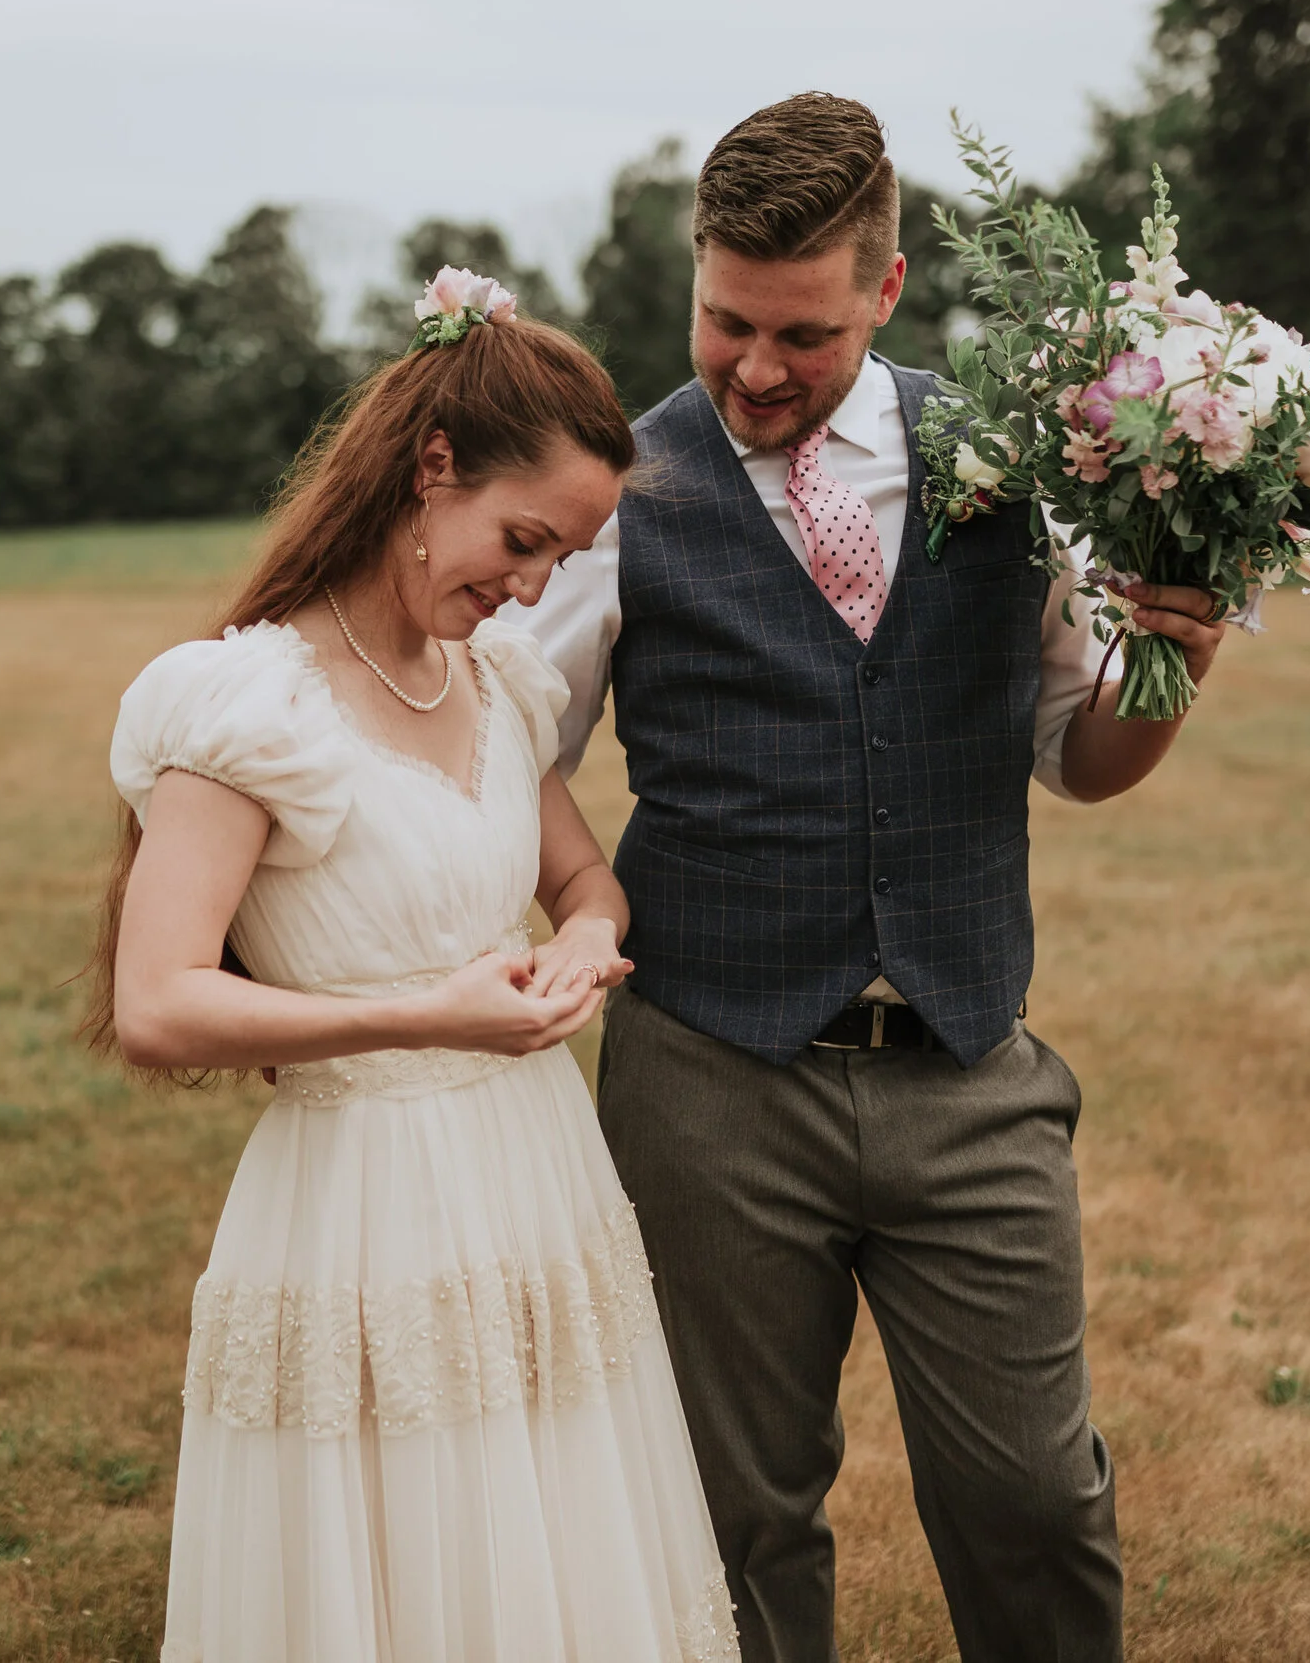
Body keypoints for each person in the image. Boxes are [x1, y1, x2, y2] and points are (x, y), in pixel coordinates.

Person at [513, 94, 1231, 1663]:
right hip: (711, 1083)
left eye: (804, 334)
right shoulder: (619, 494)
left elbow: (1081, 755)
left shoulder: (1011, 463)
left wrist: (1180, 655)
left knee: (1035, 1498)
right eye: (725, 322)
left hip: (969, 1065)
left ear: (888, 293)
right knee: (731, 1513)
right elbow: (513, 753)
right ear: (693, 277)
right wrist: (580, 904)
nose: (757, 368)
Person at [84, 276, 737, 1663]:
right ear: (431, 468)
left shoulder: (494, 679)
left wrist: (581, 939)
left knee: (553, 1549)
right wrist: (423, 1011)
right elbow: (157, 1004)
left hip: (536, 1174)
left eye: (562, 558)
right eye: (522, 538)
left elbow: (581, 874)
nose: (533, 586)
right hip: (366, 1201)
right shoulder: (247, 706)